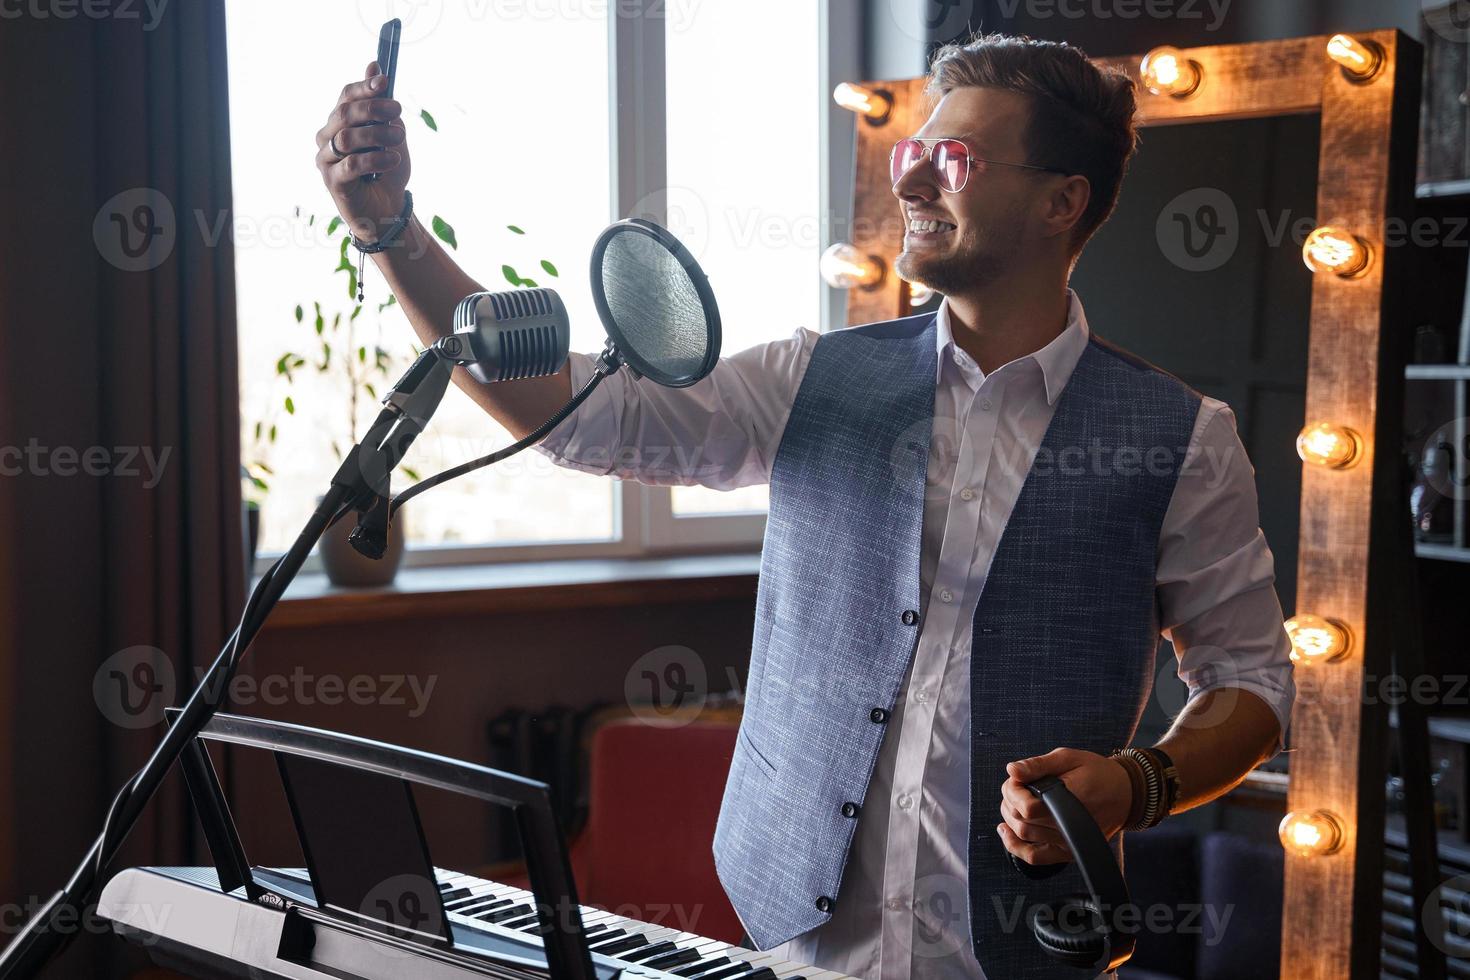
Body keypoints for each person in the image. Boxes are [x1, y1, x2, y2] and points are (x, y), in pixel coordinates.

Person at [316, 32, 1294, 980]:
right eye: (912, 153)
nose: (911, 182)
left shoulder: (1182, 438)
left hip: (1027, 952)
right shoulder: (810, 379)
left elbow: (1250, 678)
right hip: (793, 947)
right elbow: (581, 413)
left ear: (1061, 201)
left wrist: (1139, 782)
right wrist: (392, 233)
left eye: (951, 159)